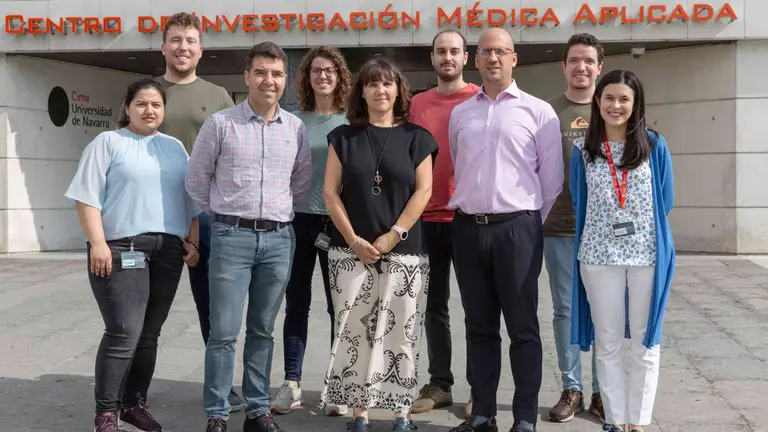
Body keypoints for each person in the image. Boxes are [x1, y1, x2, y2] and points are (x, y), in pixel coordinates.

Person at [117, 11, 243, 411]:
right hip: (151, 218)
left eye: (190, 40)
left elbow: (231, 159)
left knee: (214, 310)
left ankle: (223, 388)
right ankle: (129, 391)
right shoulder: (146, 94)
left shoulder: (219, 96)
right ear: (163, 47)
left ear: (200, 49)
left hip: (206, 218)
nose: (182, 47)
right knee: (141, 314)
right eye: (175, 40)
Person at [185, 41, 311, 432]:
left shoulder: (295, 128)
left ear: (284, 80)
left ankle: (258, 410)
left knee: (262, 330)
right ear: (247, 76)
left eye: (275, 74)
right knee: (222, 332)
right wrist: (223, 218)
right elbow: (196, 181)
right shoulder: (221, 124)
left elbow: (301, 183)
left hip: (278, 240)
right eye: (260, 72)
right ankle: (218, 413)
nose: (268, 81)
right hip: (230, 238)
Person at [66, 78, 201, 432]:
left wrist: (193, 241)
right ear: (127, 107)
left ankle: (133, 404)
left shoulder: (173, 148)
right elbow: (87, 198)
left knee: (150, 332)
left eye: (156, 104)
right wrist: (97, 243)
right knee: (124, 330)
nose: (149, 110)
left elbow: (190, 204)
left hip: (168, 251)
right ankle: (106, 413)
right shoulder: (108, 143)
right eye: (141, 104)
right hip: (120, 248)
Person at [447, 28, 563, 432]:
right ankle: (482, 414)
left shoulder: (539, 111)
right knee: (478, 327)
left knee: (522, 327)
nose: (493, 58)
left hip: (517, 230)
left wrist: (525, 222)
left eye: (501, 51)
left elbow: (550, 183)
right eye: (485, 52)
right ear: (474, 60)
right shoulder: (461, 113)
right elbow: (459, 163)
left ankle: (525, 417)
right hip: (467, 229)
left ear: (514, 58)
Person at [318, 57, 438, 432]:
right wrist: (354, 240)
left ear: (399, 90)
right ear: (362, 91)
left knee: (402, 330)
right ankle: (360, 413)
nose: (380, 91)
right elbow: (329, 192)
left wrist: (392, 235)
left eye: (387, 84)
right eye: (372, 84)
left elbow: (424, 191)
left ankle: (401, 410)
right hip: (349, 252)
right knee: (354, 331)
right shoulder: (342, 137)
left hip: (405, 253)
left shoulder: (418, 138)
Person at [569, 69, 675, 432]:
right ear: (597, 102)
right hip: (598, 258)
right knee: (609, 344)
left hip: (646, 256)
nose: (616, 105)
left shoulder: (655, 145)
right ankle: (615, 421)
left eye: (624, 99)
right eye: (609, 98)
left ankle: (638, 423)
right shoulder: (583, 150)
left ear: (636, 104)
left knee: (646, 342)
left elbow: (666, 199)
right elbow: (576, 198)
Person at [271, 45, 351, 417]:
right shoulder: (292, 120)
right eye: (316, 70)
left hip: (338, 224)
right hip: (298, 221)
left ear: (340, 76)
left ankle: (337, 384)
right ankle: (291, 383)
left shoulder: (352, 121)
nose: (323, 76)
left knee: (341, 307)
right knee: (297, 304)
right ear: (307, 77)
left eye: (330, 70)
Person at [408, 29, 479, 418]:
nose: (447, 57)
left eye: (454, 51)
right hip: (425, 219)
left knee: (476, 307)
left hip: (467, 218)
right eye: (440, 51)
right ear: (432, 58)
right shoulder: (416, 104)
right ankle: (440, 384)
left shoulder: (479, 99)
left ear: (465, 57)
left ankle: (478, 388)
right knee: (434, 307)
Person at [545, 33, 605, 424]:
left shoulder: (614, 107)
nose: (581, 67)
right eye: (574, 60)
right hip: (559, 227)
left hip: (604, 233)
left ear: (599, 66)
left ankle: (604, 391)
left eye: (588, 60)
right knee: (565, 309)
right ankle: (572, 387)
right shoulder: (547, 112)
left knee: (604, 311)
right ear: (564, 66)